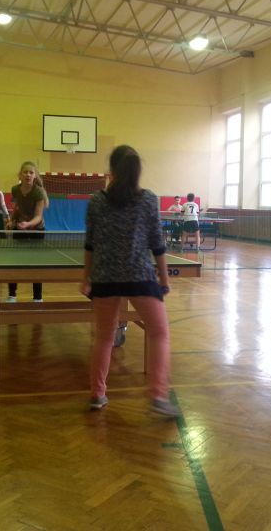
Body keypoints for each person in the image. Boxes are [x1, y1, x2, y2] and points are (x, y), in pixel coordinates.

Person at [81, 145, 180, 417]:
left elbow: (89, 244)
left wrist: (85, 278)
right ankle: (158, 397)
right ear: (137, 172)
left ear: (111, 170)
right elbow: (157, 244)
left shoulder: (96, 201)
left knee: (104, 337)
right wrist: (164, 279)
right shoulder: (149, 200)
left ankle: (97, 394)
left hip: (104, 279)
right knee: (159, 333)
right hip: (139, 277)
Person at [7, 161, 47, 303]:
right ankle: (12, 295)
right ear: (20, 174)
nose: (28, 175)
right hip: (20, 227)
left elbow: (38, 216)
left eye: (31, 172)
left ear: (35, 176)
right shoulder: (15, 189)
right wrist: (12, 220)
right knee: (15, 262)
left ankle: (37, 297)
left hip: (37, 229)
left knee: (36, 263)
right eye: (25, 172)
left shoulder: (38, 192)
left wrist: (28, 224)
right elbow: (17, 207)